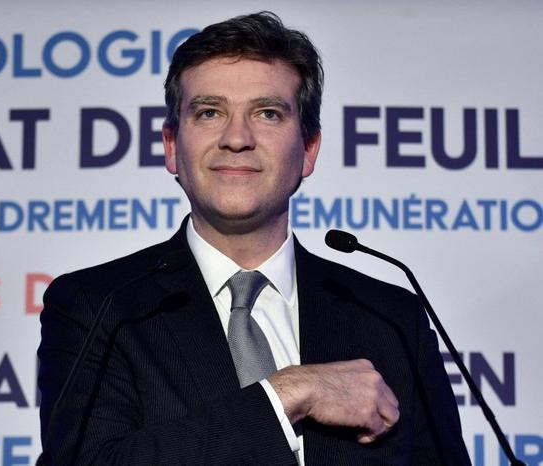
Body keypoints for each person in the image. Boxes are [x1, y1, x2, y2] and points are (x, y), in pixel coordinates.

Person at [37, 11, 471, 465]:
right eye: (209, 112)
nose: (237, 138)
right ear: (172, 146)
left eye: (267, 113)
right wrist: (288, 393)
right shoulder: (100, 307)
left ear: (308, 150)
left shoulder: (391, 319)